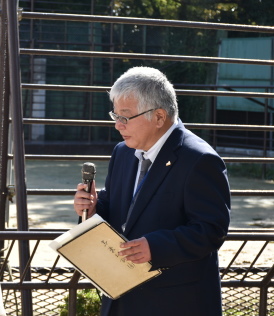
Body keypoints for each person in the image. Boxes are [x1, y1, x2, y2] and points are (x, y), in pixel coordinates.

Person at [73, 66, 231, 316]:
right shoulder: (122, 152)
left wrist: (155, 247)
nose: (117, 125)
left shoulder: (200, 159)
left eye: (125, 117)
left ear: (159, 117)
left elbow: (211, 230)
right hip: (121, 299)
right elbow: (118, 210)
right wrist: (92, 208)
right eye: (114, 115)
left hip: (175, 303)